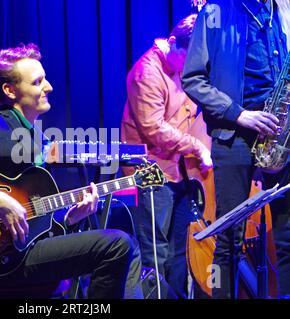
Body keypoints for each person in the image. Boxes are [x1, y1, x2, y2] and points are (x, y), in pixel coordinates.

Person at [0, 43, 144, 299]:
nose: (49, 87)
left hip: (29, 247)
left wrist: (71, 218)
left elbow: (38, 218)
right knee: (117, 245)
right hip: (0, 256)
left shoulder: (37, 140)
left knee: (127, 245)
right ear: (10, 90)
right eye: (38, 82)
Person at [182, 0, 290, 298]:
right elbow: (192, 79)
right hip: (235, 135)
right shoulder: (217, 10)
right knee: (228, 241)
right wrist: (239, 113)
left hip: (278, 134)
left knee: (288, 238)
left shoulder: (278, 10)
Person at [121, 14, 213, 299]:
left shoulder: (180, 66)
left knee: (179, 250)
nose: (191, 66)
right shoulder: (147, 72)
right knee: (155, 251)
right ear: (172, 43)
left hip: (179, 172)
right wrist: (197, 147)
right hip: (151, 173)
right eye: (189, 57)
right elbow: (154, 129)